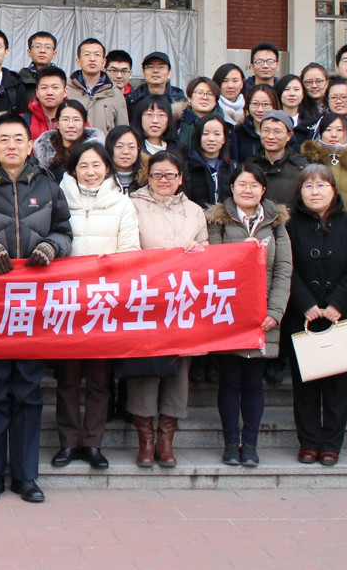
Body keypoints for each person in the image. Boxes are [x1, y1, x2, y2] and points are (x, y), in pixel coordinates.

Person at [0, 114, 72, 504]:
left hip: (33, 306)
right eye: (3, 139)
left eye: (18, 138)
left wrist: (51, 247)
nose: (11, 145)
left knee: (28, 391)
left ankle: (26, 476)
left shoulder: (49, 187)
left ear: (29, 144)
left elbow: (65, 232)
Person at [52, 142, 139, 470]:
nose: (90, 172)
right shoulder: (59, 200)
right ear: (73, 170)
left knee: (100, 380)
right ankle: (68, 442)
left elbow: (131, 249)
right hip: (67, 301)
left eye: (97, 165)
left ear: (107, 169)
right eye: (83, 166)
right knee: (68, 379)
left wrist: (111, 264)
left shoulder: (122, 203)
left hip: (105, 301)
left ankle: (92, 443)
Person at [206, 163, 292, 467]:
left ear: (263, 190)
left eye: (254, 185)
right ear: (231, 188)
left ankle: (250, 444)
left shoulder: (276, 222)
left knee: (254, 383)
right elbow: (213, 265)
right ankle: (231, 443)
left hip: (263, 315)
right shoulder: (218, 220)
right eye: (242, 184)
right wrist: (242, 252)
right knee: (230, 381)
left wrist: (275, 312)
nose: (247, 190)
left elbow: (284, 269)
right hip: (229, 314)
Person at [127, 150, 208, 467]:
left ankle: (166, 440)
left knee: (179, 370)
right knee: (145, 371)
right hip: (145, 300)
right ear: (148, 177)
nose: (163, 180)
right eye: (157, 174)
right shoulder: (133, 205)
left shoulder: (195, 211)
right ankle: (145, 441)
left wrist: (198, 250)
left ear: (181, 178)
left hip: (182, 302)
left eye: (170, 174)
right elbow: (127, 246)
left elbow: (208, 251)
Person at [283, 165, 347, 466]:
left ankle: (331, 444)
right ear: (300, 192)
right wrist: (305, 303)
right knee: (304, 386)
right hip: (302, 316)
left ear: (333, 190)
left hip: (340, 317)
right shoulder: (290, 224)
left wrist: (337, 304)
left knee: (337, 387)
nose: (315, 191)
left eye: (321, 185)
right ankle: (308, 443)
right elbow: (286, 267)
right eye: (308, 186)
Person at [302, 112, 347, 212]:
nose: (334, 135)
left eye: (339, 130)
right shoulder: (308, 160)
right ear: (320, 133)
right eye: (328, 130)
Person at [249, 110, 309, 212]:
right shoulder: (250, 166)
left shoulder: (301, 168)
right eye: (266, 130)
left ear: (289, 135)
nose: (270, 136)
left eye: (277, 131)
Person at [66, 38, 128, 133]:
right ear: (78, 61)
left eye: (97, 55)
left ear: (104, 62)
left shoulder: (115, 94)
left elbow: (123, 132)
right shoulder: (65, 90)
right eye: (87, 54)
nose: (92, 59)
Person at [34, 100, 104, 172]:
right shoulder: (45, 154)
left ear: (84, 124)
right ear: (57, 124)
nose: (71, 125)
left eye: (76, 120)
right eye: (65, 119)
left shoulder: (96, 152)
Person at [185, 114, 234, 208]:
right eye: (205, 133)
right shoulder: (187, 166)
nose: (211, 139)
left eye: (217, 134)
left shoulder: (232, 167)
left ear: (224, 139)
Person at [175, 76, 226, 151]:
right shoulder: (177, 122)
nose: (204, 97)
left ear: (216, 100)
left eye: (210, 94)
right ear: (189, 98)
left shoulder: (226, 124)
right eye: (199, 93)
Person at [234, 85, 280, 162]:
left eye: (266, 104)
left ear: (274, 106)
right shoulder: (239, 132)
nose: (260, 110)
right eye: (255, 104)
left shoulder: (283, 132)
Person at [133, 93, 186, 158]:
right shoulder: (133, 149)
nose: (155, 121)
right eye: (149, 114)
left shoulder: (179, 150)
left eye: (161, 115)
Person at [17, 31, 61, 102]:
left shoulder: (61, 79)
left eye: (47, 47)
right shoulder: (18, 79)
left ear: (54, 54)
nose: (42, 50)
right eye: (37, 46)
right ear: (29, 52)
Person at [25, 66, 67, 140]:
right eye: (44, 88)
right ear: (37, 92)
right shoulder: (24, 120)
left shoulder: (77, 119)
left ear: (65, 92)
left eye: (55, 87)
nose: (49, 92)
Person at [105, 126, 147, 194]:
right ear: (109, 148)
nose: (126, 152)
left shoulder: (149, 179)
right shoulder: (99, 179)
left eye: (131, 147)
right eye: (119, 146)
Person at [274, 74, 307, 141]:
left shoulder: (310, 123)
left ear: (303, 94)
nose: (292, 94)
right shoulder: (271, 120)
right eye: (286, 89)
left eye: (296, 89)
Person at [298, 62, 329, 131]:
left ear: (327, 83)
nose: (314, 86)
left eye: (319, 81)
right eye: (308, 82)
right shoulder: (298, 109)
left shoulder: (334, 106)